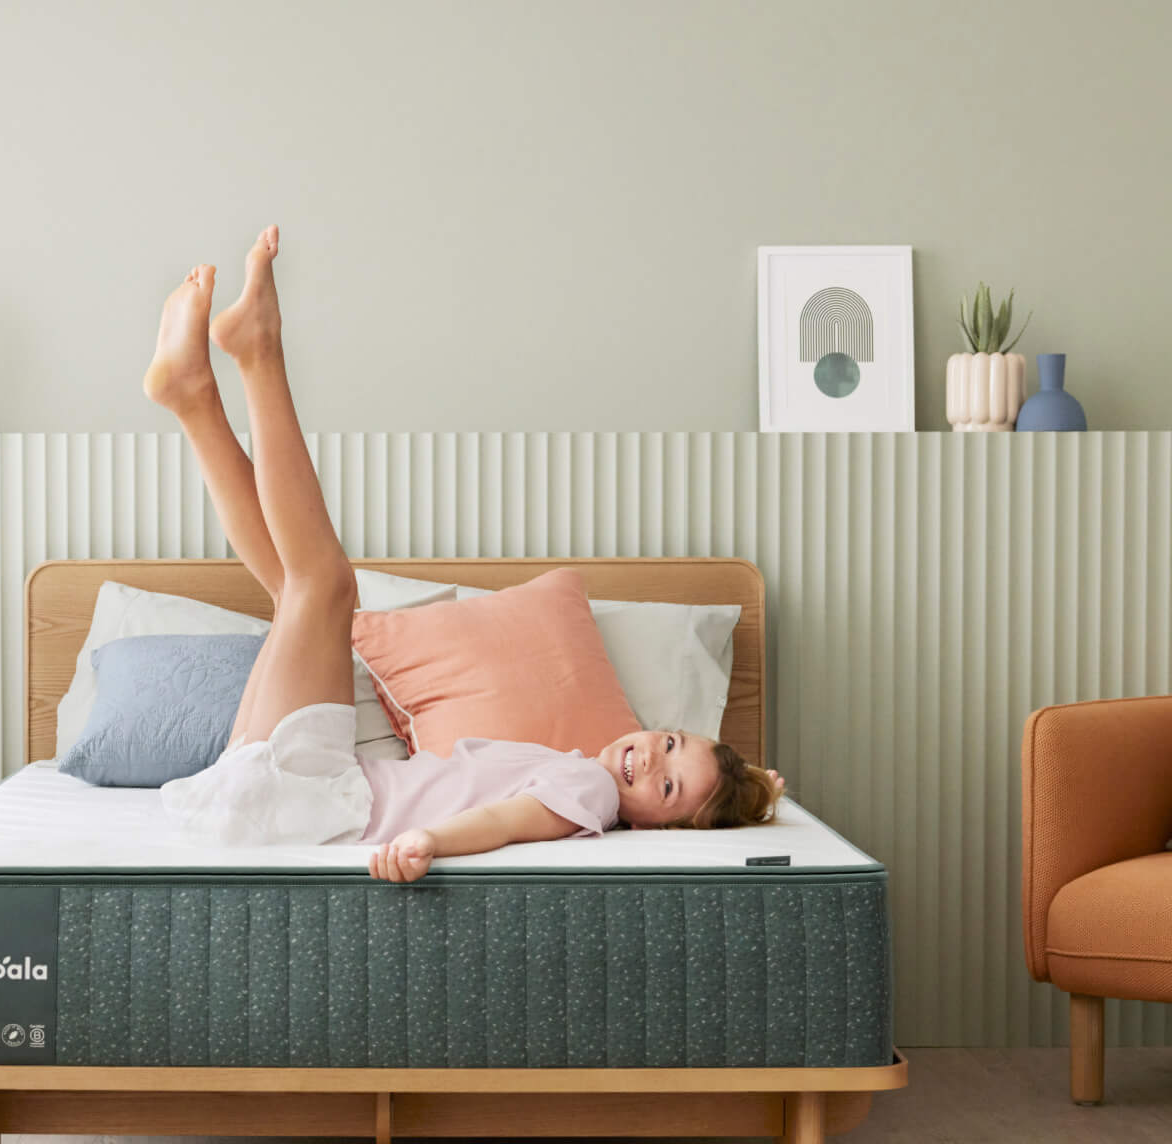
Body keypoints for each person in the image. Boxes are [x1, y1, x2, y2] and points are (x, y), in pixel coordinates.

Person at [144, 227, 782, 883]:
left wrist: (429, 840)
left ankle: (259, 354)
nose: (652, 760)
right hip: (288, 803)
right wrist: (758, 787)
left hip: (317, 805)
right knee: (293, 591)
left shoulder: (589, 797)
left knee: (322, 586)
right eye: (670, 743)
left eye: (669, 787)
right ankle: (193, 398)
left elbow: (507, 823)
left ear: (653, 827)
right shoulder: (578, 771)